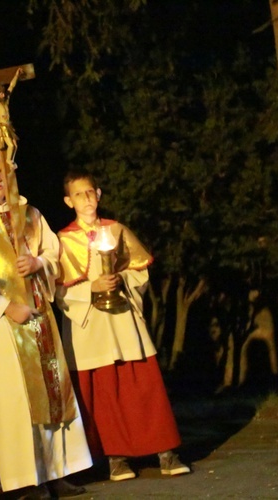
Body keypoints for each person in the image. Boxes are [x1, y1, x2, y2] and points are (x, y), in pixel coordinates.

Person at [0, 145, 91, 498]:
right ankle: (27, 479)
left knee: (53, 391)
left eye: (2, 171)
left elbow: (52, 251)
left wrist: (39, 264)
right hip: (2, 330)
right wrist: (3, 307)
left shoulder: (29, 212)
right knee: (17, 401)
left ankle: (58, 470)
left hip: (40, 316)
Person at [55, 170, 191, 481]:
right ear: (68, 201)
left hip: (123, 320)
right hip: (90, 326)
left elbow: (139, 270)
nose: (86, 199)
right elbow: (57, 289)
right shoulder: (62, 240)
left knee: (143, 385)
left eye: (90, 192)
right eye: (78, 194)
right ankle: (116, 457)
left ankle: (165, 451)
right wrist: (91, 288)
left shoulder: (116, 230)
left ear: (99, 194)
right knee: (103, 394)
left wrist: (121, 280)